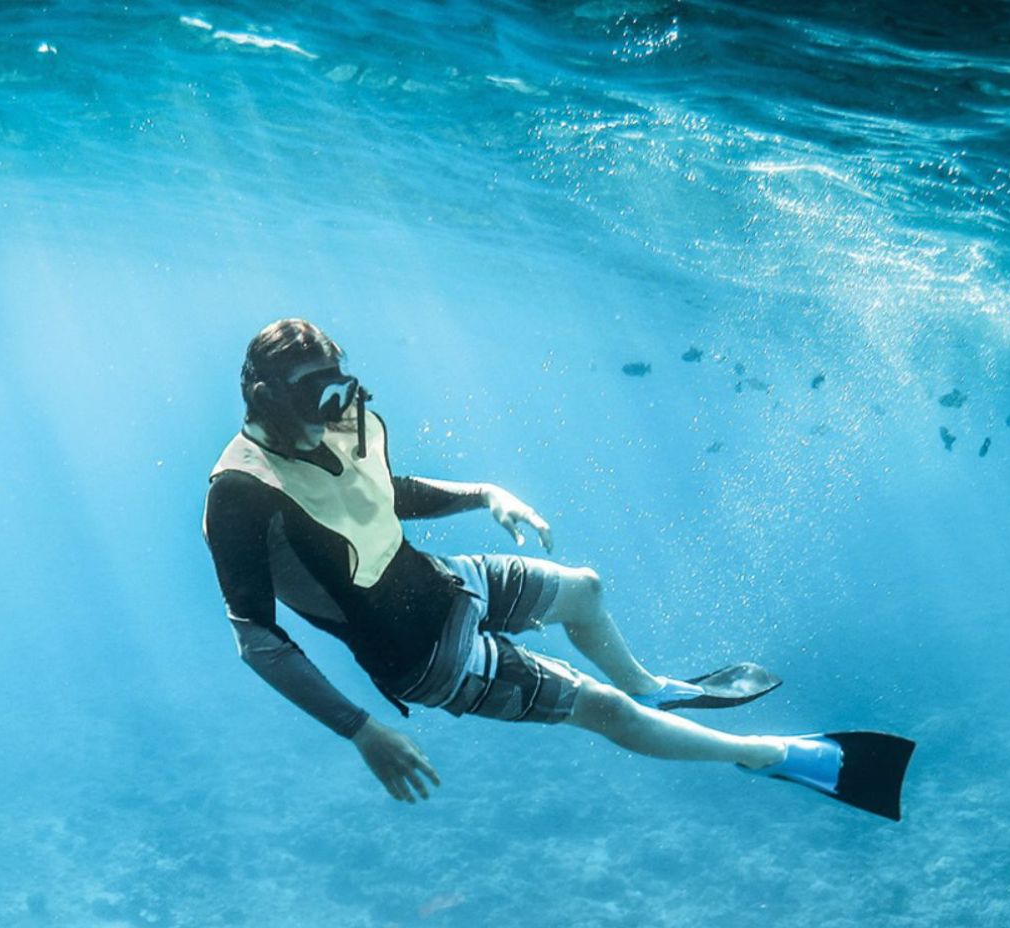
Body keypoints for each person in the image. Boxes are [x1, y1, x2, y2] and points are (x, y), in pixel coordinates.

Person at [201, 319, 913, 819]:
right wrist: (359, 728)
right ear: (266, 399)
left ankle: (653, 687)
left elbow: (379, 492)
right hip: (420, 656)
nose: (334, 413)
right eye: (313, 398)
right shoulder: (240, 493)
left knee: (585, 588)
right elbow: (257, 640)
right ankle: (765, 754)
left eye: (337, 389)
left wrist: (485, 492)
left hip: (443, 580)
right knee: (600, 710)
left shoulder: (337, 420)